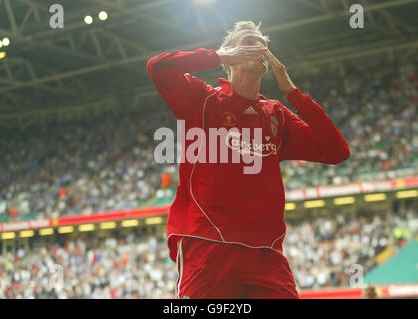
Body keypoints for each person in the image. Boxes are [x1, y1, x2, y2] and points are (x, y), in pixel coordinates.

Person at [147, 21, 350, 299]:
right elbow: (157, 66)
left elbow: (336, 151)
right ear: (231, 54)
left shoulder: (276, 115)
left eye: (261, 43)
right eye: (249, 42)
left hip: (265, 253)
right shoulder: (203, 100)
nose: (259, 48)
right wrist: (218, 56)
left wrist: (292, 92)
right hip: (209, 244)